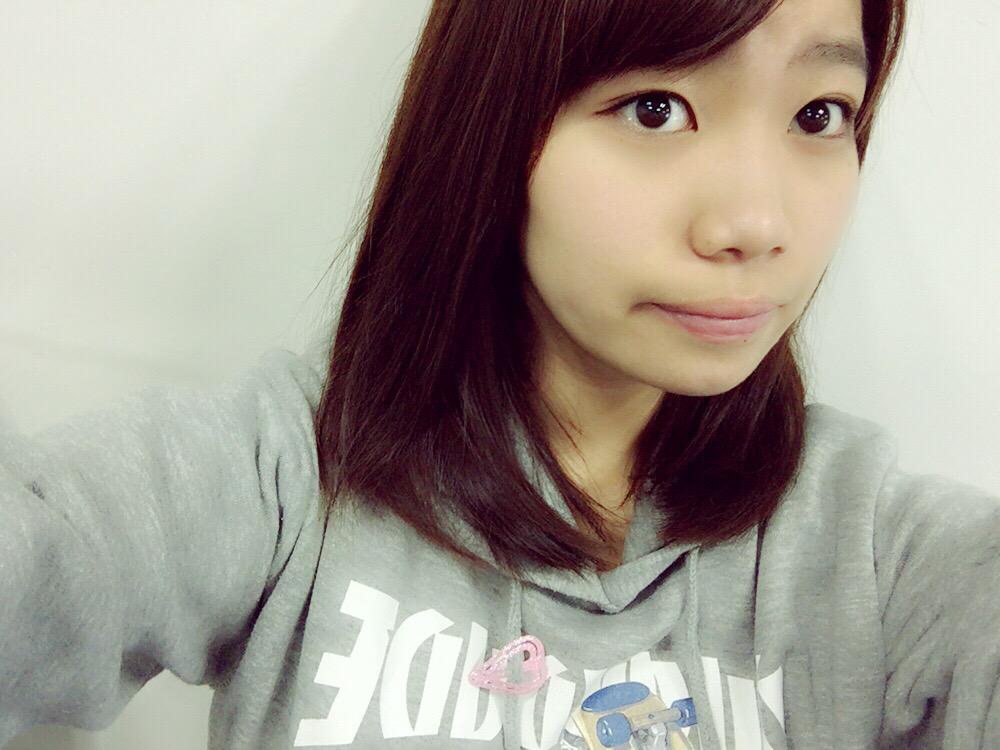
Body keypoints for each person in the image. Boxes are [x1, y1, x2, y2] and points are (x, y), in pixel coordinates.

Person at [2, 0, 997, 748]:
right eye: (656, 108)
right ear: (490, 129)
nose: (757, 224)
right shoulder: (283, 481)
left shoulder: (875, 557)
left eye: (819, 114)